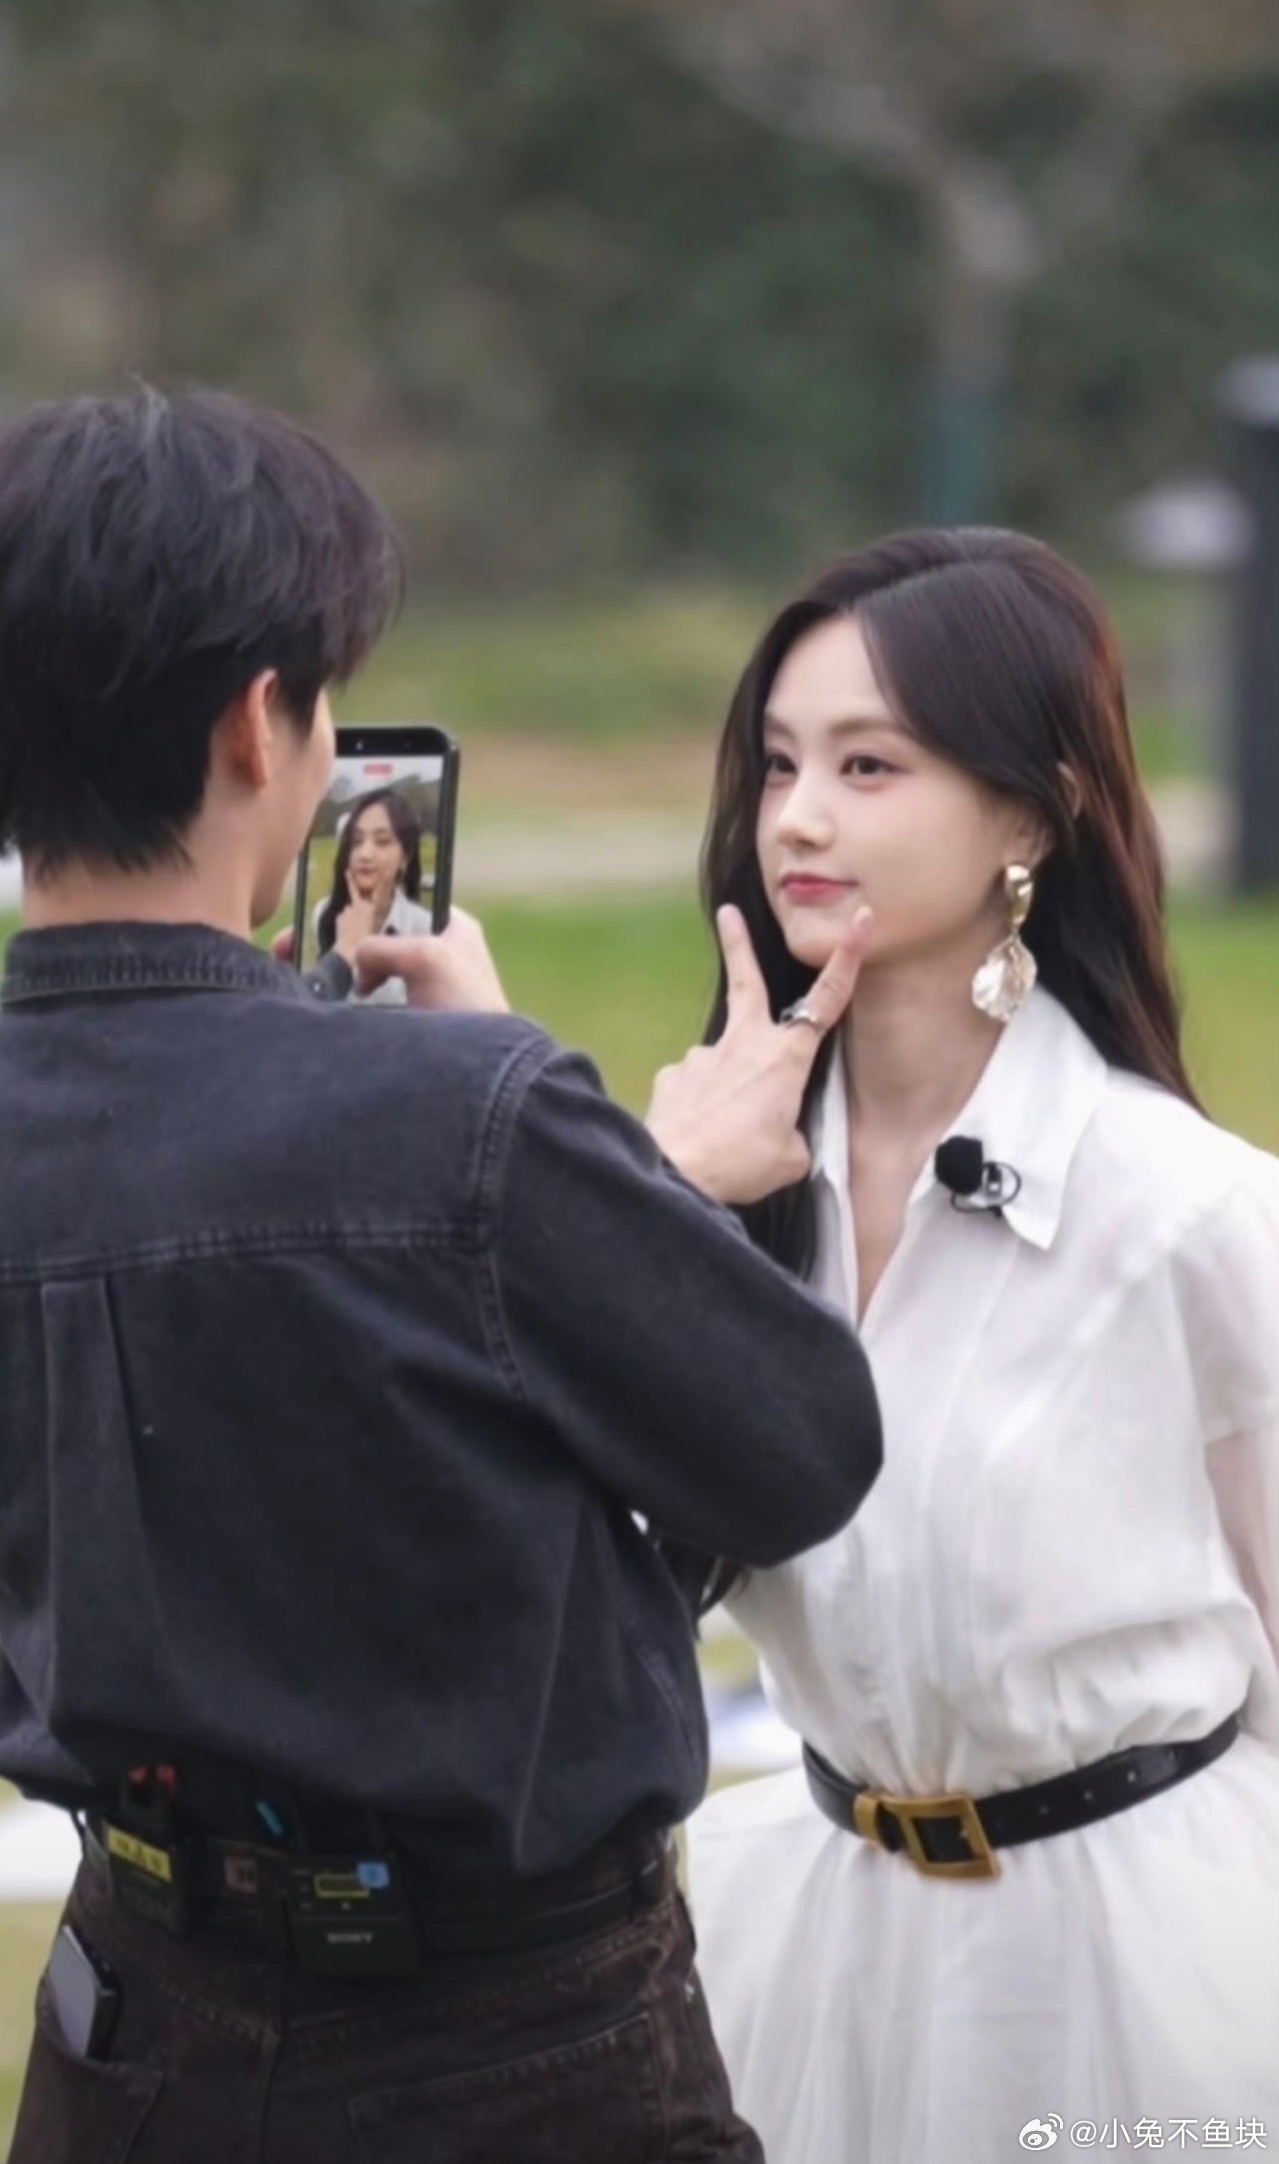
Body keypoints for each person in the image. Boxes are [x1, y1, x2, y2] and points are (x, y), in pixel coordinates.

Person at [0, 386, 884, 2164]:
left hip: (119, 2025)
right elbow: (795, 1449)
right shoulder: (462, 1118)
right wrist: (625, 1172)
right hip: (511, 2043)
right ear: (258, 723)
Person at [659, 529, 1279, 2164]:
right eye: (778, 761)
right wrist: (645, 1212)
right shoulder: (719, 1191)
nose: (796, 816)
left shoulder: (1187, 1215)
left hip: (1134, 1968)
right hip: (818, 1953)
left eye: (867, 764)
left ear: (1028, 812)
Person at [314, 786, 434, 1004]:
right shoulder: (326, 913)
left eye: (382, 841)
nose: (365, 854)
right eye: (357, 841)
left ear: (405, 857)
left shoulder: (424, 928)